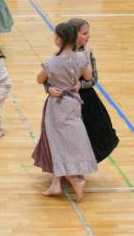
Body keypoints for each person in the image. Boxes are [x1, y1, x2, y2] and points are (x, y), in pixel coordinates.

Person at [32, 23, 96, 202]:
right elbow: (89, 76)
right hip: (73, 103)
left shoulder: (52, 62)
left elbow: (39, 79)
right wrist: (87, 59)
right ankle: (55, 184)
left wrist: (50, 84)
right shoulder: (80, 58)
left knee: (56, 143)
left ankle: (74, 179)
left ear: (59, 39)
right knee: (65, 140)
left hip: (57, 105)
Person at [47, 18, 118, 162]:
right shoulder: (60, 55)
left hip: (87, 101)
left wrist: (81, 85)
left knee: (97, 133)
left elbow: (93, 79)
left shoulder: (87, 53)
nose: (88, 36)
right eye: (84, 33)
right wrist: (49, 89)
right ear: (73, 35)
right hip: (64, 102)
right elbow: (48, 79)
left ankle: (81, 165)